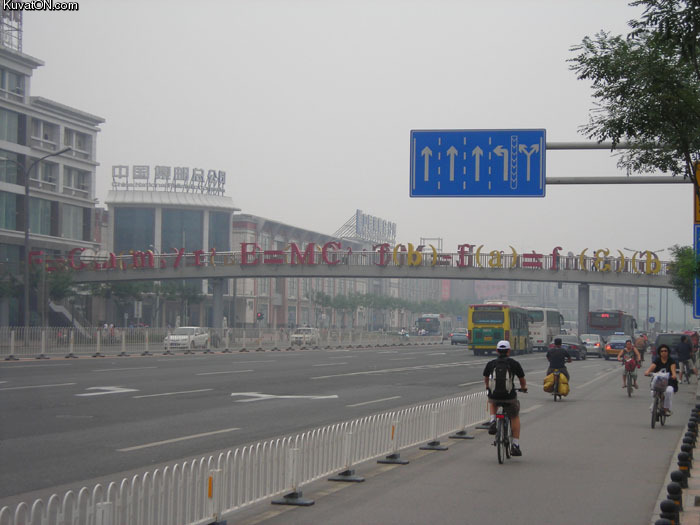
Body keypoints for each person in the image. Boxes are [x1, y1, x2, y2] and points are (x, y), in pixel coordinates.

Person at [482, 340, 527, 457]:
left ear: (497, 351)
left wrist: (488, 387)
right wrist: (523, 388)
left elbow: (486, 378)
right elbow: (522, 379)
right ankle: (515, 445)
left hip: (495, 395)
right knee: (514, 416)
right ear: (509, 351)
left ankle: (492, 420)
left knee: (492, 402)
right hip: (509, 396)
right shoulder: (514, 363)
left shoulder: (491, 363)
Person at [644, 344, 677, 416]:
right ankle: (654, 403)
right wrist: (647, 372)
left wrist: (674, 375)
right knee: (653, 392)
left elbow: (673, 370)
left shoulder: (671, 361)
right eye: (662, 351)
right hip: (657, 382)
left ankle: (666, 409)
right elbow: (652, 366)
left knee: (668, 391)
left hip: (668, 382)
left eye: (665, 351)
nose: (664, 352)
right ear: (659, 352)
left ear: (668, 352)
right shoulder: (657, 360)